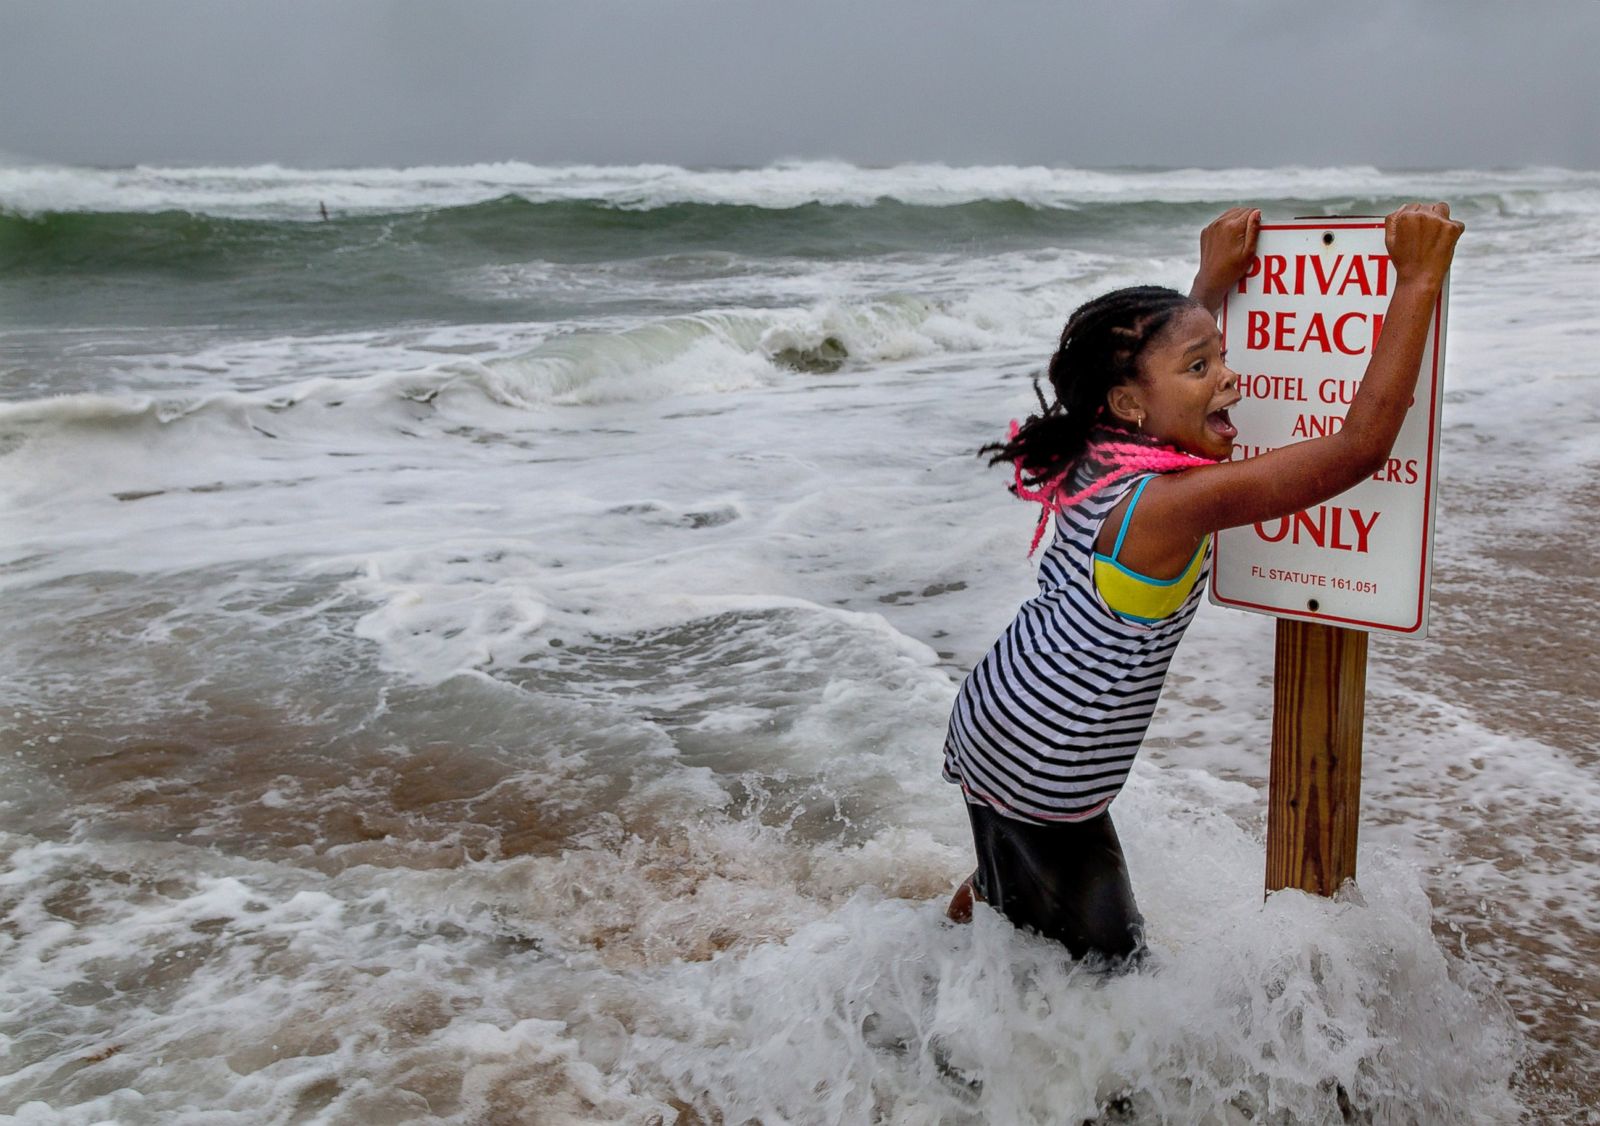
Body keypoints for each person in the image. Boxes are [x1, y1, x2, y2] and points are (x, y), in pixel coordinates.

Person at [942, 203, 1464, 962]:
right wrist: (1416, 281)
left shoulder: (1106, 442)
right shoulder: (1169, 505)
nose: (1230, 376)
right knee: (1114, 974)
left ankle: (939, 977)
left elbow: (1151, 377)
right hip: (1052, 759)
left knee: (1006, 888)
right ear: (1128, 403)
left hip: (996, 718)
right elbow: (1356, 450)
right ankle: (1023, 1060)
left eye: (1217, 356)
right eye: (1204, 367)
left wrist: (1209, 286)